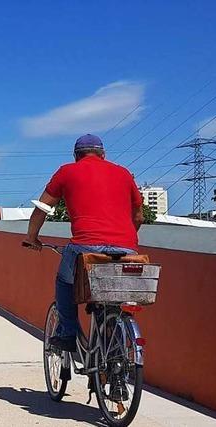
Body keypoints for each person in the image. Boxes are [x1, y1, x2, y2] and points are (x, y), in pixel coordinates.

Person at [22, 134, 144, 352]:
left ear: (76, 156)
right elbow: (139, 218)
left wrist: (32, 237)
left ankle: (67, 333)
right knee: (114, 300)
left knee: (64, 281)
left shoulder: (67, 171)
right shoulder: (123, 173)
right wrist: (122, 241)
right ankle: (116, 356)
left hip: (86, 246)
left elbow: (42, 208)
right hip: (126, 248)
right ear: (103, 154)